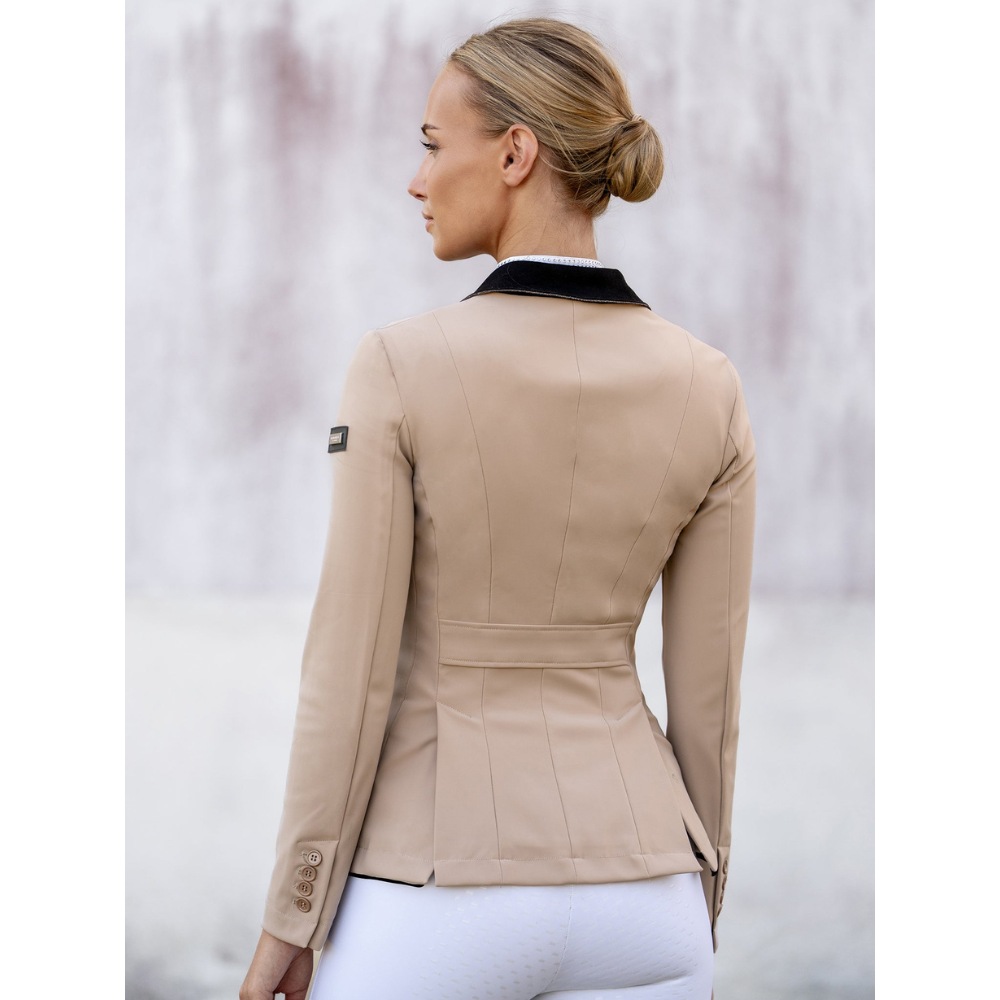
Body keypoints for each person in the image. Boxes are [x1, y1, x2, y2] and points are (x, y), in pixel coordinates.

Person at [239, 17, 755, 1000]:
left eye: (434, 144)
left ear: (516, 154)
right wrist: (700, 891)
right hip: (649, 898)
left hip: (433, 894)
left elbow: (349, 673)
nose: (417, 179)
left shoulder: (399, 366)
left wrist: (293, 914)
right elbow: (710, 697)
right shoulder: (709, 384)